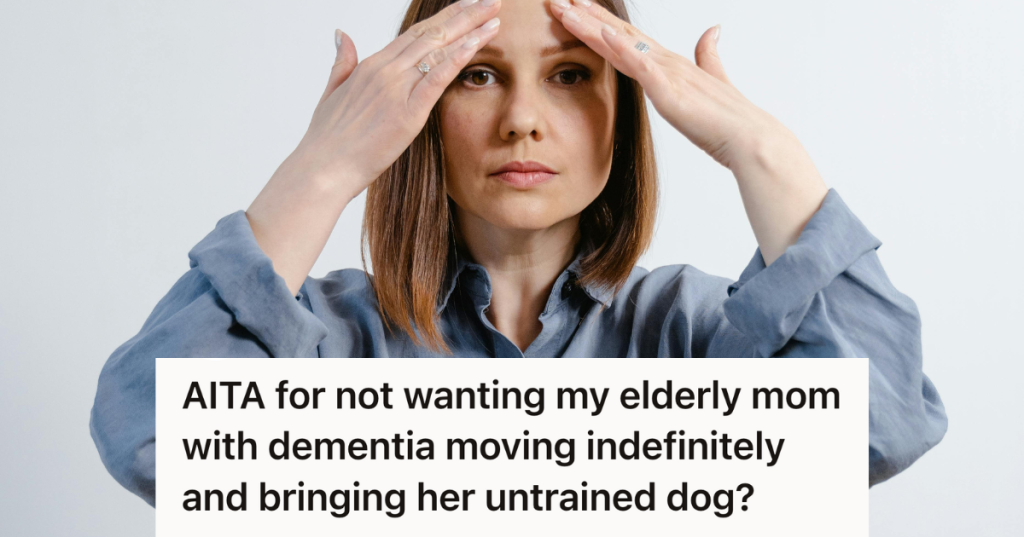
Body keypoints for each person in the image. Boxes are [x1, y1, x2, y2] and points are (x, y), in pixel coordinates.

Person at [89, 0, 947, 507]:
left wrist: (759, 152)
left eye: (572, 74)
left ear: (627, 103)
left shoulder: (695, 333)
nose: (522, 121)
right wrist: (321, 168)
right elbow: (148, 436)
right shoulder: (328, 340)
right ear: (420, 105)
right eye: (478, 73)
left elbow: (882, 424)